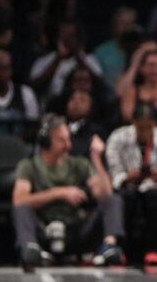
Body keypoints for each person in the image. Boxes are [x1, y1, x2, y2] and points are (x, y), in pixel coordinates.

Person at [11, 114, 124, 269]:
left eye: (68, 139)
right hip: (45, 229)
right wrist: (60, 193)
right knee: (22, 209)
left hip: (76, 229)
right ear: (46, 141)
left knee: (113, 200)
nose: (68, 145)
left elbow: (104, 194)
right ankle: (30, 248)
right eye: (62, 140)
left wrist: (96, 159)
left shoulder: (78, 164)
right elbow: (19, 200)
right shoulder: (29, 166)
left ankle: (109, 247)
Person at [106, 101, 157, 266]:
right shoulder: (117, 138)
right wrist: (128, 177)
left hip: (154, 187)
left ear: (155, 124)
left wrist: (156, 176)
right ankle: (122, 249)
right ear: (134, 123)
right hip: (127, 186)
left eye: (148, 126)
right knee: (127, 198)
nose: (145, 131)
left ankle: (153, 250)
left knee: (155, 198)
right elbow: (115, 174)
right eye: (141, 126)